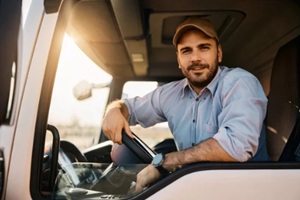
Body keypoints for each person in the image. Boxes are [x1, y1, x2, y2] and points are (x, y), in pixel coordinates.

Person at [102, 17, 269, 192]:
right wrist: (114, 110)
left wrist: (164, 164)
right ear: (179, 60)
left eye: (204, 48)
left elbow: (236, 145)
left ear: (219, 53)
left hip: (244, 191)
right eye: (186, 51)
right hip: (192, 189)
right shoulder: (170, 94)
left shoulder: (240, 83)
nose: (195, 58)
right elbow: (129, 108)